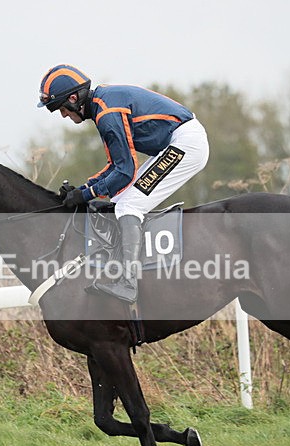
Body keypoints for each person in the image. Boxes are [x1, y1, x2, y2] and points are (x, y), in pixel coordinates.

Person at [38, 64, 209, 303]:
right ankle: (120, 267)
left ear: (74, 98)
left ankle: (128, 283)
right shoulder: (102, 106)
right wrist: (83, 189)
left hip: (187, 144)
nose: (63, 115)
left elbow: (125, 172)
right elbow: (115, 166)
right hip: (178, 141)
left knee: (129, 206)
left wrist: (86, 195)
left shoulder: (107, 114)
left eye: (61, 108)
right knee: (119, 199)